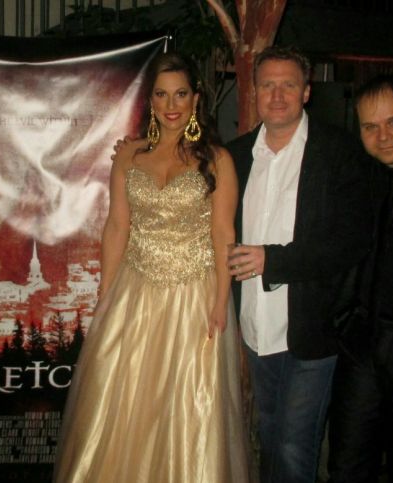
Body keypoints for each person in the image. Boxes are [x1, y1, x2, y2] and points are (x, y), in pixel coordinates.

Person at [53, 52, 249, 483]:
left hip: (194, 296)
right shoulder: (128, 154)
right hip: (135, 291)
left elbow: (223, 233)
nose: (171, 104)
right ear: (151, 101)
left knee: (187, 404)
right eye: (161, 95)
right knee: (124, 399)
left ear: (196, 98)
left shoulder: (217, 159)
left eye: (180, 94)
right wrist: (106, 295)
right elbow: (116, 227)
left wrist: (221, 300)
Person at [224, 45, 372, 483]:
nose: (277, 95)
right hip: (254, 327)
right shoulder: (235, 156)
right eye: (267, 85)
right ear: (254, 91)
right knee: (270, 435)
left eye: (288, 84)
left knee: (294, 446)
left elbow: (349, 242)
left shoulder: (339, 152)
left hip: (312, 329)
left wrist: (273, 260)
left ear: (306, 91)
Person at [328, 75, 393, 483]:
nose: (382, 136)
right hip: (362, 344)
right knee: (346, 466)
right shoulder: (359, 177)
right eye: (370, 126)